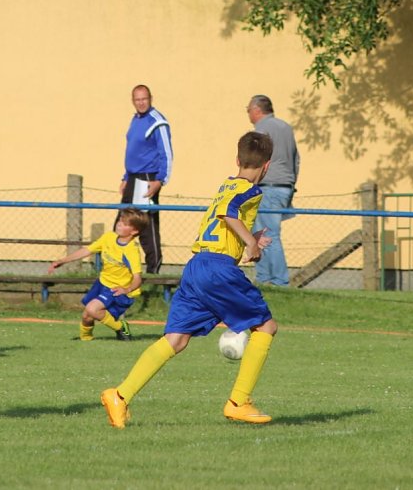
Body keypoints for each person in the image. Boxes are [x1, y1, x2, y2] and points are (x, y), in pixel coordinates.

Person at [101, 131, 277, 429]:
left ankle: (120, 395)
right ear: (267, 166)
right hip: (218, 269)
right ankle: (239, 402)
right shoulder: (252, 190)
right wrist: (251, 244)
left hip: (197, 266)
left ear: (237, 159)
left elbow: (224, 218)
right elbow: (229, 214)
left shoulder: (227, 184)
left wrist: (250, 239)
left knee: (176, 339)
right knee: (266, 326)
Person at [48, 208, 148, 341]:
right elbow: (87, 250)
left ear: (134, 231)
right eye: (119, 221)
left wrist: (127, 289)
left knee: (92, 309)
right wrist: (62, 261)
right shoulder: (108, 237)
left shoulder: (131, 251)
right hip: (102, 283)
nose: (119, 224)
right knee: (86, 316)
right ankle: (85, 340)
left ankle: (121, 327)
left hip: (118, 289)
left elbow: (137, 278)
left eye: (125, 224)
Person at [246, 94, 300, 286]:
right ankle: (265, 277)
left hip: (268, 187)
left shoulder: (261, 130)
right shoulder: (286, 128)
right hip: (285, 187)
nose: (248, 115)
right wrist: (291, 185)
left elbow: (256, 159)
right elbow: (296, 159)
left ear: (256, 110)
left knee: (267, 235)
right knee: (263, 233)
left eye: (248, 110)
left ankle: (278, 281)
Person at [118, 84, 172, 274]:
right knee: (123, 223)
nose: (141, 103)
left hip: (147, 178)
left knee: (145, 225)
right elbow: (133, 151)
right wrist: (126, 177)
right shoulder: (135, 120)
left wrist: (160, 180)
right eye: (137, 99)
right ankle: (119, 267)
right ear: (133, 101)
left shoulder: (157, 121)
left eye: (144, 99)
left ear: (150, 99)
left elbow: (166, 153)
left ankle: (153, 270)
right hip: (133, 178)